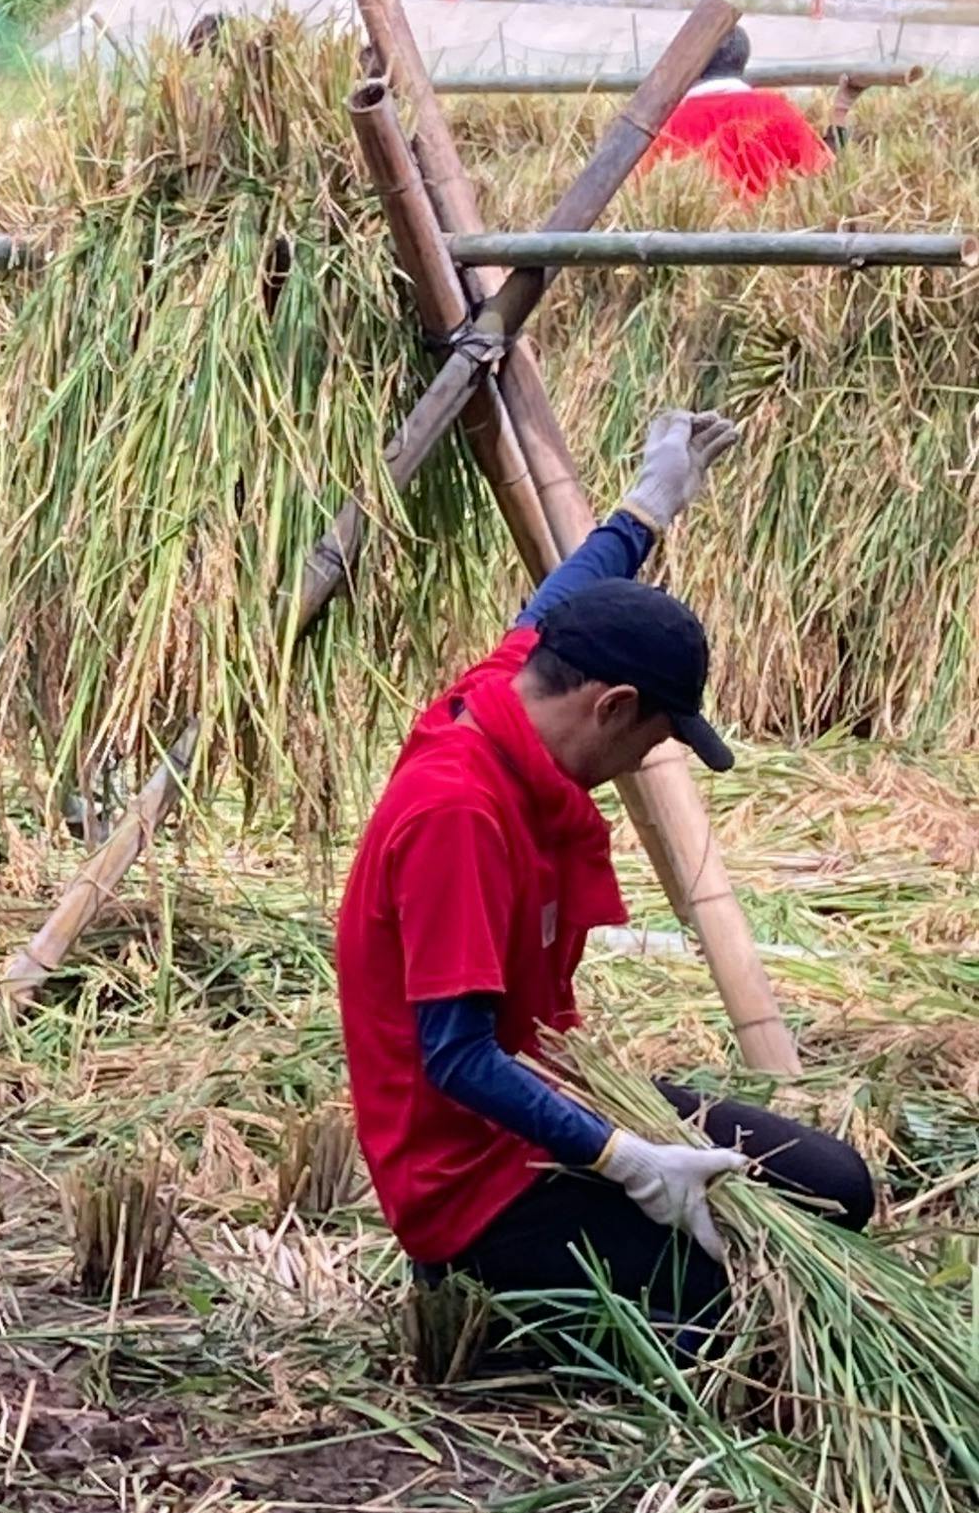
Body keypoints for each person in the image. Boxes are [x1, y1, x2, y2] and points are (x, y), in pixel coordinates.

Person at [335, 409, 875, 1341]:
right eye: (652, 741)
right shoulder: (458, 814)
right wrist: (629, 1160)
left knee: (836, 1193)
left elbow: (569, 594)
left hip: (560, 1101)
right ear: (612, 705)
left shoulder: (521, 684)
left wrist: (648, 503)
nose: (638, 766)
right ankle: (490, 1312)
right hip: (475, 1183)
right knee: (748, 1325)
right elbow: (456, 1057)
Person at [644, 26, 833, 201]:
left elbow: (641, 189)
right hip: (770, 231)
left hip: (693, 234)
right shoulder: (778, 111)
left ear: (693, 62)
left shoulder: (665, 124)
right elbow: (823, 173)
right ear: (742, 59)